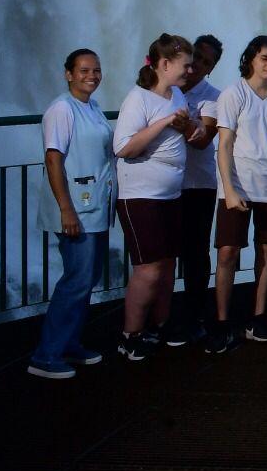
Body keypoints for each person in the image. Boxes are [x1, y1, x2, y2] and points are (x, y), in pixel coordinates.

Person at [29, 49, 118, 378]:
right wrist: (66, 209)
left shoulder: (91, 107)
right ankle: (46, 354)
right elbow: (53, 159)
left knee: (87, 278)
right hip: (74, 208)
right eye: (83, 70)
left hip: (92, 205)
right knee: (76, 279)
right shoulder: (61, 110)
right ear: (68, 74)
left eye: (96, 69)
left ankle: (68, 344)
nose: (92, 75)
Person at [112, 34, 198, 361]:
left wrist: (193, 128)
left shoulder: (176, 94)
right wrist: (165, 122)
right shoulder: (138, 99)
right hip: (140, 195)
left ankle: (158, 325)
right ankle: (129, 335)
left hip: (171, 194)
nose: (190, 71)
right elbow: (124, 148)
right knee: (148, 269)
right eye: (186, 65)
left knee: (165, 265)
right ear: (164, 64)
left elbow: (188, 135)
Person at [212, 35, 267, 348]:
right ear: (250, 59)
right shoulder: (233, 94)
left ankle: (257, 319)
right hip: (239, 185)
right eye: (264, 57)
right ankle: (222, 321)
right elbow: (224, 144)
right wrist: (230, 189)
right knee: (228, 252)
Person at [173, 34, 222, 346]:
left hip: (199, 184)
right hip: (164, 184)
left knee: (195, 254)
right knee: (164, 254)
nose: (199, 66)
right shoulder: (165, 87)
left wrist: (182, 123)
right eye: (197, 57)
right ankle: (159, 319)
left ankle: (194, 317)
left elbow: (203, 138)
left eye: (207, 62)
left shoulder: (213, 97)